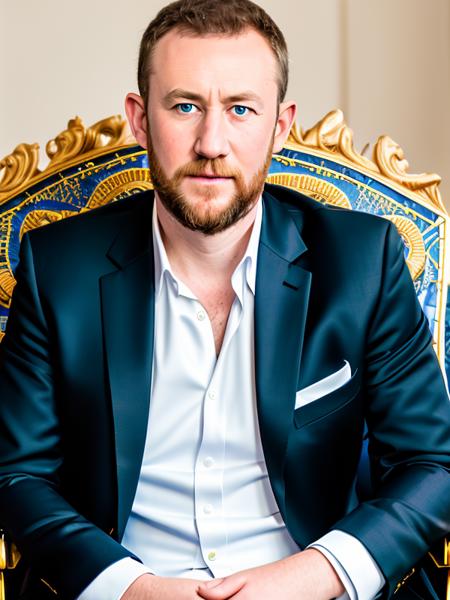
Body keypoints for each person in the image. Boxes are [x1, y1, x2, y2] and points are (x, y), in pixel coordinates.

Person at [0, 0, 449, 599]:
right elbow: (17, 473)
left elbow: (432, 464)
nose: (211, 142)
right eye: (185, 106)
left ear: (280, 125)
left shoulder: (363, 263)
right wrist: (133, 588)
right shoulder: (58, 267)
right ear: (139, 118)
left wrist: (314, 577)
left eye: (241, 109)